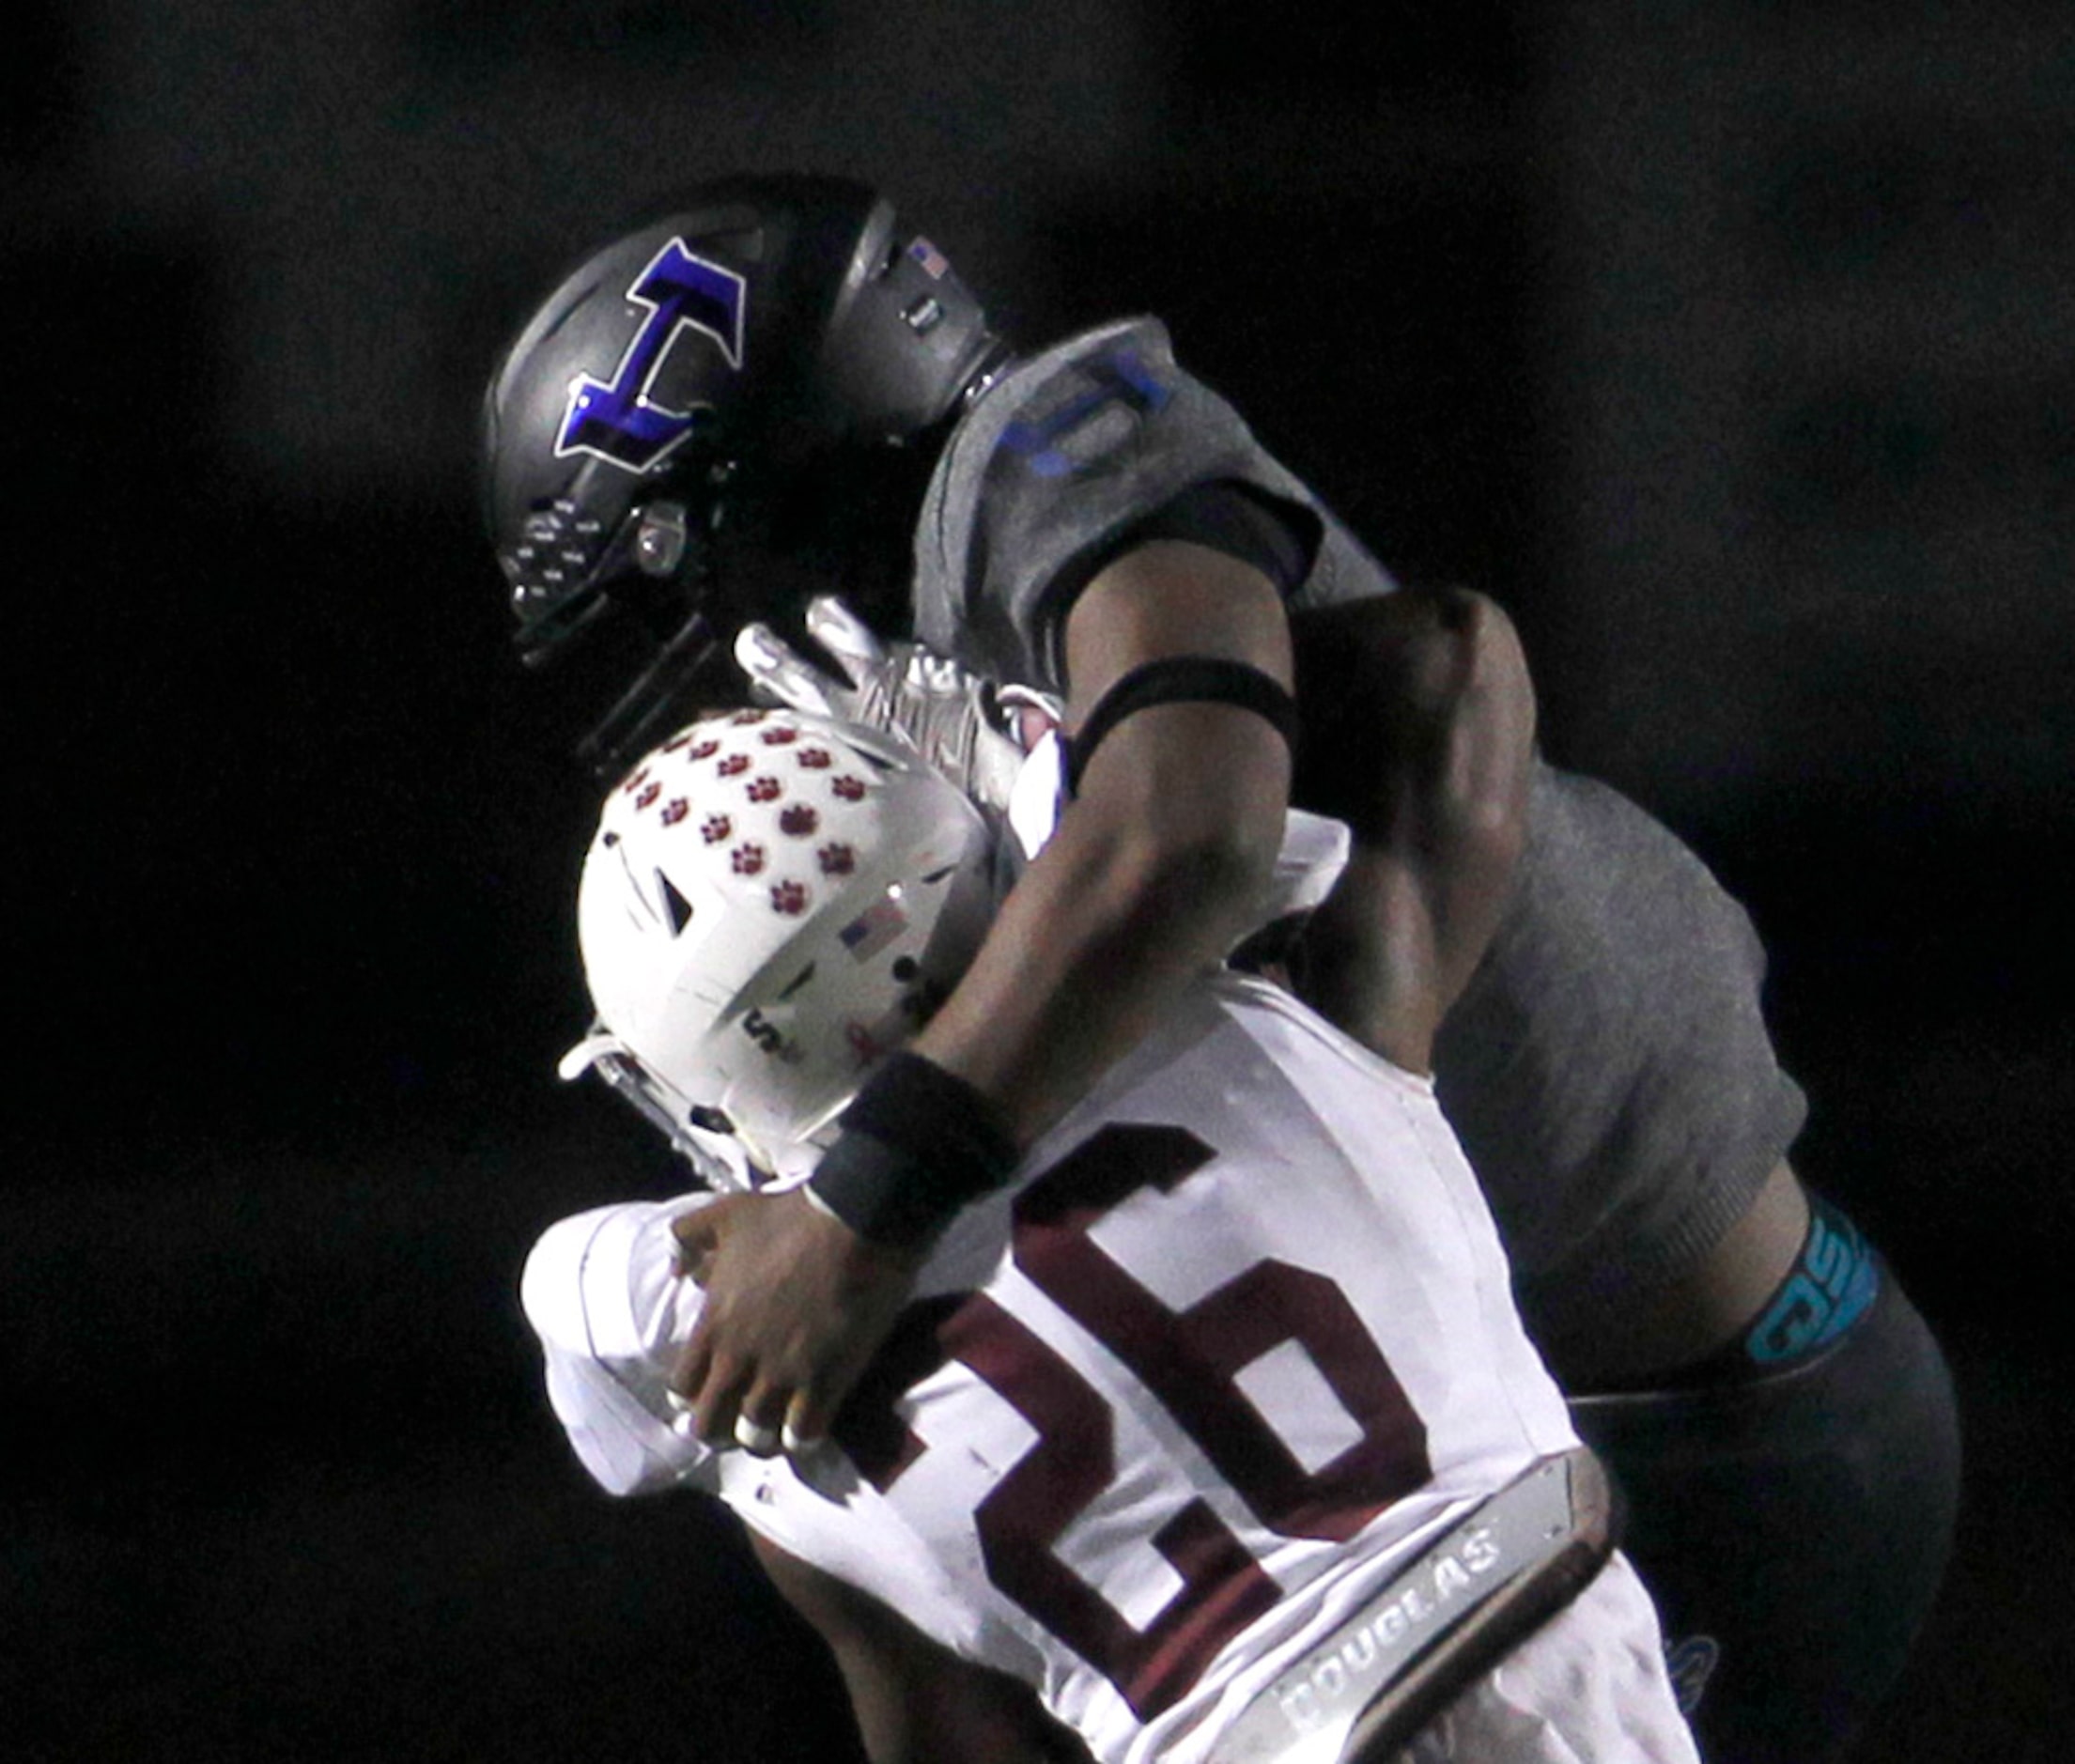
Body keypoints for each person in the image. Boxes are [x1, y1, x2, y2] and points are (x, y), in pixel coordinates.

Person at [481, 173, 1958, 1760]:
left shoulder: (1036, 457)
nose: (688, 685)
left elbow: (1193, 822)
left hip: (1688, 1416)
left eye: (648, 600)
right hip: (1488, 1464)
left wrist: (854, 1205)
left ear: (732, 500)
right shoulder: (963, 891)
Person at [521, 695, 1701, 1763]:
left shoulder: (767, 1414)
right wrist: (1087, 744)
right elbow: (1449, 666)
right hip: (1544, 1637)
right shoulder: (1268, 1009)